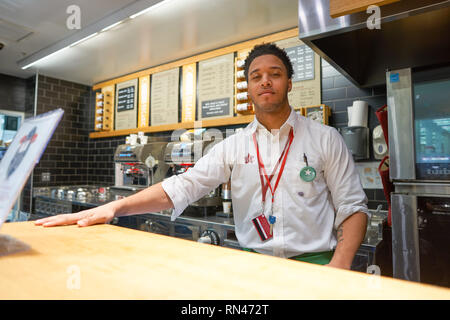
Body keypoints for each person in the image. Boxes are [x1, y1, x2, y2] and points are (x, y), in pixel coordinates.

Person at [35, 43, 370, 269]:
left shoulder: (326, 138)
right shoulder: (232, 145)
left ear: (289, 83)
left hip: (316, 263)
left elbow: (353, 208)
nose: (265, 81)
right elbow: (184, 185)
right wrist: (113, 207)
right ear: (249, 88)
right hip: (253, 264)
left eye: (275, 74)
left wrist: (337, 269)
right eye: (256, 76)